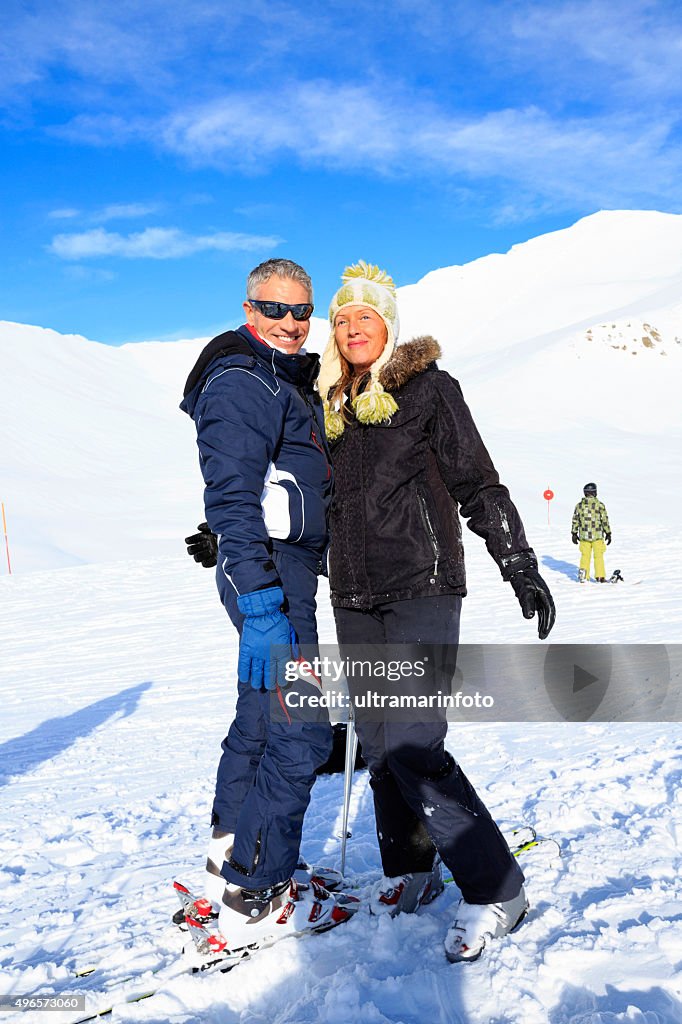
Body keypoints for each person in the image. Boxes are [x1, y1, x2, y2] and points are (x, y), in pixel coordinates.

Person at [317, 261, 556, 963]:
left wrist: (519, 563)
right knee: (381, 746)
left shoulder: (428, 390)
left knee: (417, 745)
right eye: (341, 318)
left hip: (422, 583)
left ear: (387, 324)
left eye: (365, 316)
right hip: (353, 595)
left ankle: (496, 887)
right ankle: (411, 871)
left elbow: (476, 481)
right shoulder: (328, 404)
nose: (352, 328)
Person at [179, 258, 355, 959]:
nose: (291, 324)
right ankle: (258, 892)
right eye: (274, 309)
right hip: (270, 577)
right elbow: (230, 493)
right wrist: (256, 597)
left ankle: (232, 848)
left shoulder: (278, 376)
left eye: (302, 312)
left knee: (262, 713)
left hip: (283, 568)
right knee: (303, 730)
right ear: (249, 309)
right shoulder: (244, 381)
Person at [571, 482, 611, 582]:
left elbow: (575, 520)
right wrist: (608, 532)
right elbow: (604, 520)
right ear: (595, 492)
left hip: (584, 537)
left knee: (585, 556)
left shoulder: (579, 506)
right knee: (598, 556)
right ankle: (600, 576)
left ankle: (583, 576)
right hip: (597, 536)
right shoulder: (599, 505)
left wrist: (574, 533)